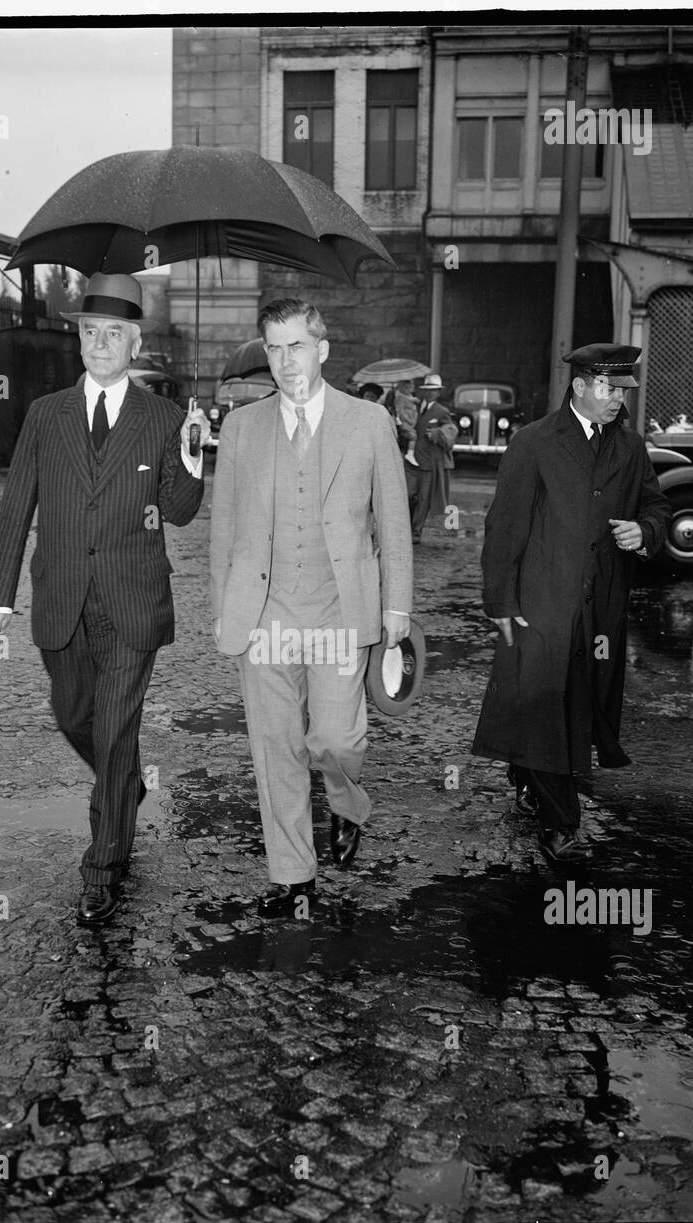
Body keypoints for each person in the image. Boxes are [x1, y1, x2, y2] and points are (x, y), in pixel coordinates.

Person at [0, 273, 208, 924]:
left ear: (134, 341)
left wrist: (193, 456)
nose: (101, 343)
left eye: (114, 333)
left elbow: (180, 512)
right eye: (90, 332)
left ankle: (102, 865)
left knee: (113, 728)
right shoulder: (45, 414)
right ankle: (124, 786)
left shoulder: (163, 419)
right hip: (60, 597)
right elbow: (14, 505)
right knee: (73, 715)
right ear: (77, 337)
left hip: (131, 602)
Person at [210, 298, 412, 917]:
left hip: (338, 611)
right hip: (264, 613)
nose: (284, 359)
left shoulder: (369, 423)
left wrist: (397, 608)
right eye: (273, 347)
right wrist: (225, 609)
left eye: (296, 345)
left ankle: (347, 801)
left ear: (322, 350)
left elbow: (393, 521)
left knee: (334, 738)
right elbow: (224, 528)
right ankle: (293, 876)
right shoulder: (242, 428)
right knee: (276, 747)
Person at [472, 343, 672, 863]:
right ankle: (560, 820)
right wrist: (500, 601)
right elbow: (505, 527)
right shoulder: (535, 442)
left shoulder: (630, 447)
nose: (616, 400)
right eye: (608, 388)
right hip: (540, 600)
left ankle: (526, 773)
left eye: (623, 390)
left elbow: (656, 505)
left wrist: (644, 530)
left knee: (575, 701)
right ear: (580, 385)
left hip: (600, 603)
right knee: (542, 704)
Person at [411, 372, 457, 541]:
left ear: (438, 393)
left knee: (424, 497)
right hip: (411, 459)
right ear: (423, 391)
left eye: (434, 390)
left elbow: (451, 430)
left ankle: (416, 530)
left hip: (430, 462)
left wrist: (437, 434)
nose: (431, 393)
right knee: (410, 495)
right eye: (428, 389)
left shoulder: (442, 411)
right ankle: (410, 526)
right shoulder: (415, 407)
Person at [393, 378, 420, 467]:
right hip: (405, 421)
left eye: (411, 387)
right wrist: (409, 420)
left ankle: (410, 453)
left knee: (413, 436)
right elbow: (400, 412)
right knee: (413, 436)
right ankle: (410, 454)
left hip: (412, 420)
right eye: (407, 387)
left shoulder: (411, 397)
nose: (409, 389)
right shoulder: (400, 397)